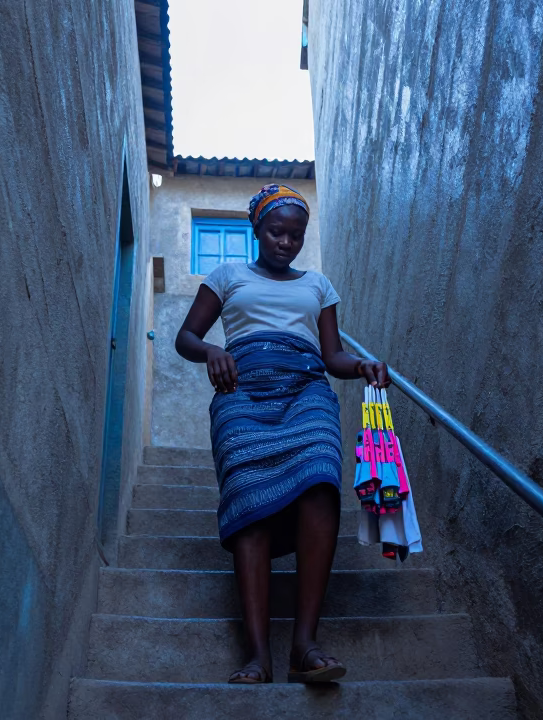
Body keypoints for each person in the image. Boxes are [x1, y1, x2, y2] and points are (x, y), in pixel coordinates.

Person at [175, 184, 390, 684]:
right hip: (242, 394)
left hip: (306, 392)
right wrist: (212, 352)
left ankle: (305, 645)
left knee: (320, 485)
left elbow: (333, 355)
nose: (286, 242)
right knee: (250, 508)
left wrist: (361, 364)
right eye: (277, 231)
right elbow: (187, 336)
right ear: (257, 229)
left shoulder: (318, 285)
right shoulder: (226, 276)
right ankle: (257, 656)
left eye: (296, 235)